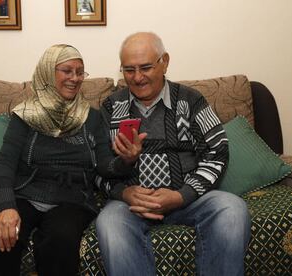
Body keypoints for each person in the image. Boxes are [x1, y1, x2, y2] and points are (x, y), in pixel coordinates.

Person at [0, 44, 144, 276]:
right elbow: (5, 163)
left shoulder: (91, 118)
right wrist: (5, 206)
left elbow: (105, 166)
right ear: (47, 72)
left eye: (80, 72)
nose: (75, 78)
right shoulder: (25, 115)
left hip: (72, 198)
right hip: (26, 193)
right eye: (67, 71)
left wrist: (126, 160)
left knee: (61, 240)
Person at [95, 32, 251, 276]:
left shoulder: (191, 100)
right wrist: (123, 192)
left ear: (164, 61)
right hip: (132, 205)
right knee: (109, 223)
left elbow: (218, 151)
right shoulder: (111, 108)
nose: (137, 78)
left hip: (188, 200)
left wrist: (181, 196)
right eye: (129, 70)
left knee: (232, 208)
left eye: (145, 67)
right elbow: (95, 164)